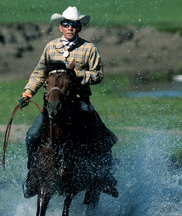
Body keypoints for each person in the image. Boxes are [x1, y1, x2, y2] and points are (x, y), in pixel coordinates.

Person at [18, 6, 119, 199]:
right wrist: (27, 94)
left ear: (79, 28)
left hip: (79, 102)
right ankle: (33, 177)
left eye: (74, 25)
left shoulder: (89, 49)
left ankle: (105, 177)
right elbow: (40, 73)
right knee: (32, 135)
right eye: (66, 24)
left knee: (103, 137)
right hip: (54, 105)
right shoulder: (50, 47)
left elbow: (98, 76)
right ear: (60, 27)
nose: (70, 28)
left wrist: (78, 75)